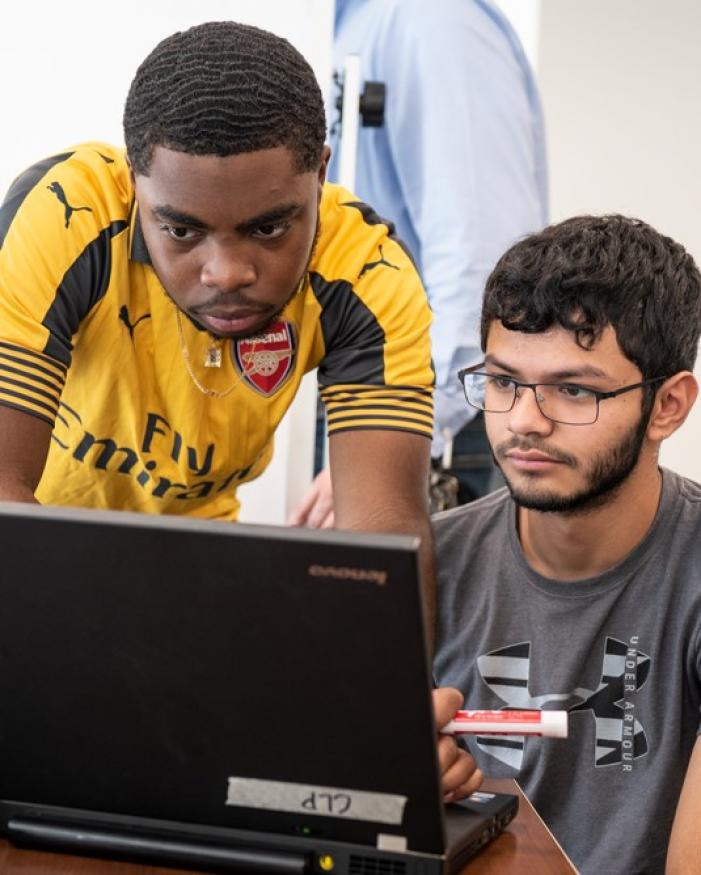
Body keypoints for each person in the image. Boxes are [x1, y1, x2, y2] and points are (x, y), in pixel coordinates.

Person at [0, 21, 437, 574]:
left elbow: (386, 547)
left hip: (196, 560)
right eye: (182, 232)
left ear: (320, 177)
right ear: (136, 188)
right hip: (42, 550)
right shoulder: (66, 215)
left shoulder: (367, 271)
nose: (227, 274)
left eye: (270, 228)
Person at [432, 215, 701, 874]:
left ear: (666, 406)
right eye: (502, 382)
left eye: (573, 389)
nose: (524, 420)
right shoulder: (427, 562)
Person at [289, 0, 548, 528]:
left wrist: (396, 434)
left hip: (418, 409)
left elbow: (487, 268)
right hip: (363, 397)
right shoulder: (339, 25)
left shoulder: (434, 20)